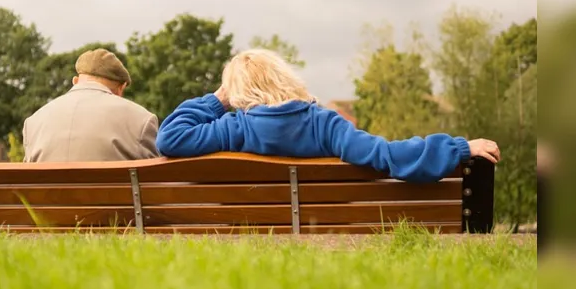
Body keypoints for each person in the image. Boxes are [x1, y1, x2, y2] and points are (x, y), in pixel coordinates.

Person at [156, 49, 500, 183]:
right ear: (284, 78)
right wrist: (457, 148)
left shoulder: (233, 128)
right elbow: (386, 155)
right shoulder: (325, 124)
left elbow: (169, 137)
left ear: (238, 92)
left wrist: (217, 100)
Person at [22, 48, 159, 162]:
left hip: (46, 196)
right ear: (121, 88)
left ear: (75, 81)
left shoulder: (33, 122)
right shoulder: (142, 120)